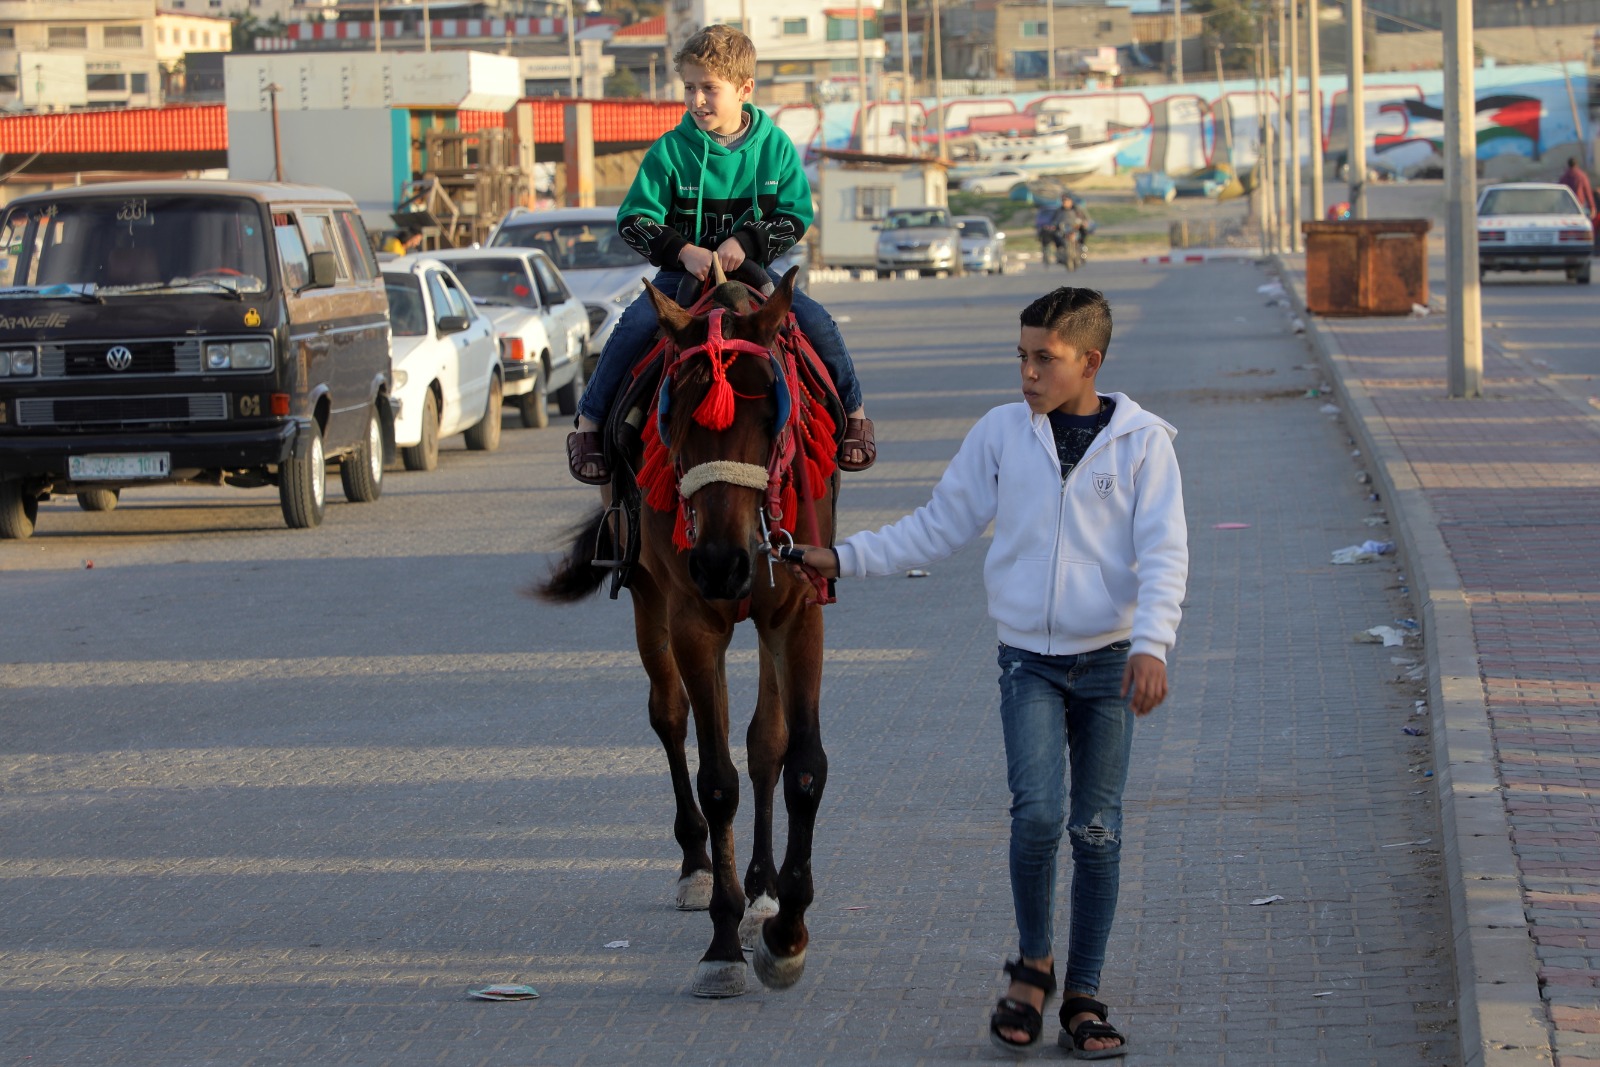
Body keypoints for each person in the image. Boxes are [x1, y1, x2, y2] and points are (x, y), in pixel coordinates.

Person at [773, 287, 1188, 1059]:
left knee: (1096, 831)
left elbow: (1165, 552)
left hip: (1107, 665)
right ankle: (1034, 965)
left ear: (1090, 362)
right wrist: (843, 555)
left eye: (1045, 359)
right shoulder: (1002, 433)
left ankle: (1084, 996)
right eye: (1021, 356)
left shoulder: (1142, 444)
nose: (1028, 373)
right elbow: (939, 525)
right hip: (1027, 659)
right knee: (1035, 814)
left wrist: (1152, 645)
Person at [565, 24, 872, 485]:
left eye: (709, 88)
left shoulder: (775, 149)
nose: (696, 100)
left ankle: (855, 415)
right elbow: (634, 218)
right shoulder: (670, 151)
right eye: (689, 88)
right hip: (682, 278)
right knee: (634, 325)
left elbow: (795, 214)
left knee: (816, 321)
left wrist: (746, 243)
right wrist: (683, 251)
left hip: (754, 274)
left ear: (745, 89)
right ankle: (589, 425)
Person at [1052, 194, 1092, 259]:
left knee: (1083, 231)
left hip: (1075, 227)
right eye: (1063, 201)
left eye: (1066, 200)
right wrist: (1053, 225)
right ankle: (1059, 249)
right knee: (1055, 234)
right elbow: (1055, 220)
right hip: (1064, 228)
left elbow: (1085, 219)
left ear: (1071, 201)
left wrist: (1084, 223)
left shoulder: (1077, 209)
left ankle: (1082, 246)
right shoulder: (1059, 210)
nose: (1065, 202)